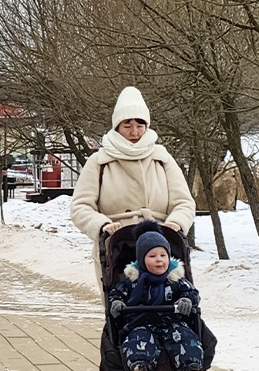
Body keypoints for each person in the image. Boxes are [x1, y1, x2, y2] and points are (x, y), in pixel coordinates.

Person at [70, 85, 196, 281]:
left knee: (169, 305)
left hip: (160, 248)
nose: (135, 132)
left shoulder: (162, 158)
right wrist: (102, 225)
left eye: (140, 124)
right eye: (127, 125)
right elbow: (80, 206)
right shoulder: (99, 162)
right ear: (117, 127)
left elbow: (184, 202)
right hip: (117, 250)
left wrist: (176, 223)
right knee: (120, 306)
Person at [108, 221, 204, 371]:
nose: (159, 260)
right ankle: (140, 368)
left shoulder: (176, 280)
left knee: (185, 338)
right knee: (138, 341)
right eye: (152, 256)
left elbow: (191, 293)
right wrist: (116, 302)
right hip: (140, 323)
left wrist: (186, 301)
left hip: (172, 322)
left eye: (163, 255)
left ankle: (191, 368)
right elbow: (117, 293)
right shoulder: (132, 281)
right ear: (142, 260)